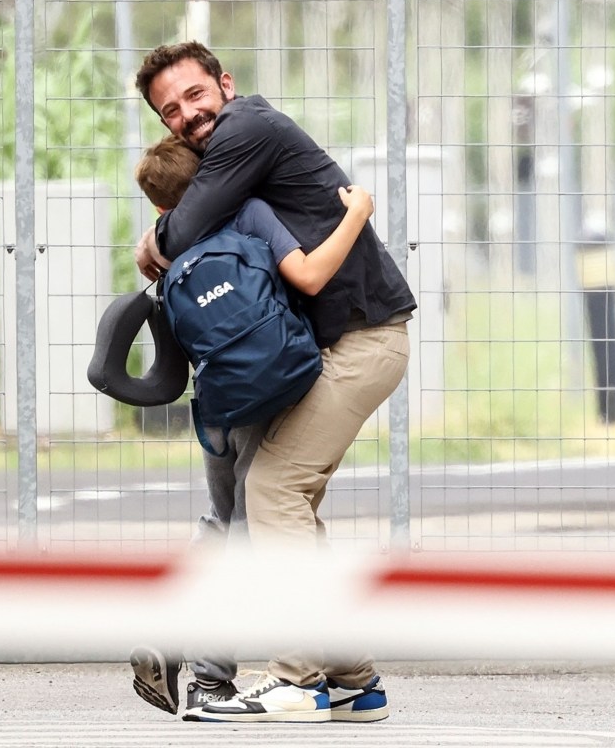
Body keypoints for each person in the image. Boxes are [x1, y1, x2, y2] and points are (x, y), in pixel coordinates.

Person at [132, 41, 416, 724]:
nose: (187, 115)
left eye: (194, 95)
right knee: (292, 511)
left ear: (224, 85)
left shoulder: (247, 128)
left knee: (272, 491)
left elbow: (188, 223)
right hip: (340, 345)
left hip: (363, 339)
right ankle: (352, 678)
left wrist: (155, 242)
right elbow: (198, 213)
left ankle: (296, 678)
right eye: (170, 110)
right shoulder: (236, 167)